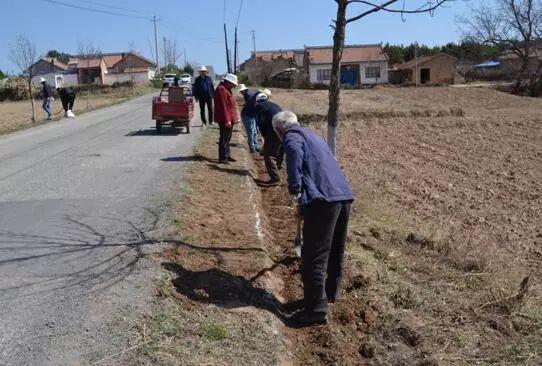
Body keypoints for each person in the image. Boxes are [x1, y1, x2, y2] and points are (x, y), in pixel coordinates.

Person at [272, 111, 354, 327]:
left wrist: (295, 192)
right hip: (343, 196)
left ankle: (316, 310)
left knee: (313, 257)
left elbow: (294, 156)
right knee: (335, 250)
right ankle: (329, 294)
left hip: (323, 201)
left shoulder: (291, 137)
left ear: (279, 130)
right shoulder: (314, 136)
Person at [255, 93, 283, 185]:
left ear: (257, 101)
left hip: (274, 130)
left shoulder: (260, 107)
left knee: (269, 154)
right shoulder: (274, 105)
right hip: (285, 129)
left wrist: (264, 135)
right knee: (279, 149)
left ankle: (275, 179)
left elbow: (261, 123)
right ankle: (278, 166)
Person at [213, 73, 239, 164]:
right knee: (224, 138)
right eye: (233, 84)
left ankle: (227, 155)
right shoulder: (221, 89)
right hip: (225, 118)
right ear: (229, 82)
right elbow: (223, 106)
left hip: (229, 117)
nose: (234, 86)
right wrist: (227, 119)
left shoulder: (226, 88)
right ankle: (223, 158)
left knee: (228, 137)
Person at [238, 84, 260, 153]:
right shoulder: (250, 94)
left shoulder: (249, 95)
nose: (240, 93)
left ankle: (255, 146)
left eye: (241, 91)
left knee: (253, 131)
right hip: (247, 115)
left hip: (250, 115)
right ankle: (253, 147)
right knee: (251, 131)